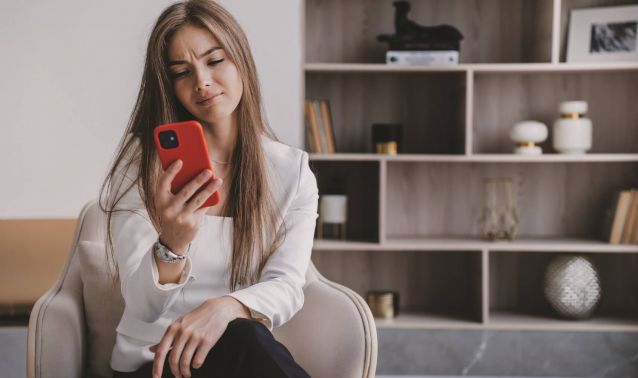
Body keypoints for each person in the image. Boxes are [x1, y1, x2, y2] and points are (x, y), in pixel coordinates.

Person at [99, 1, 317, 377]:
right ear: (170, 86)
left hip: (235, 352)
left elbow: (287, 285)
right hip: (153, 363)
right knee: (248, 341)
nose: (201, 81)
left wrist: (225, 308)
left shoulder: (290, 170)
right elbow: (141, 306)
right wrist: (172, 245)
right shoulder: (141, 164)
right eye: (182, 72)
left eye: (214, 61)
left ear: (241, 62)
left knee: (245, 336)